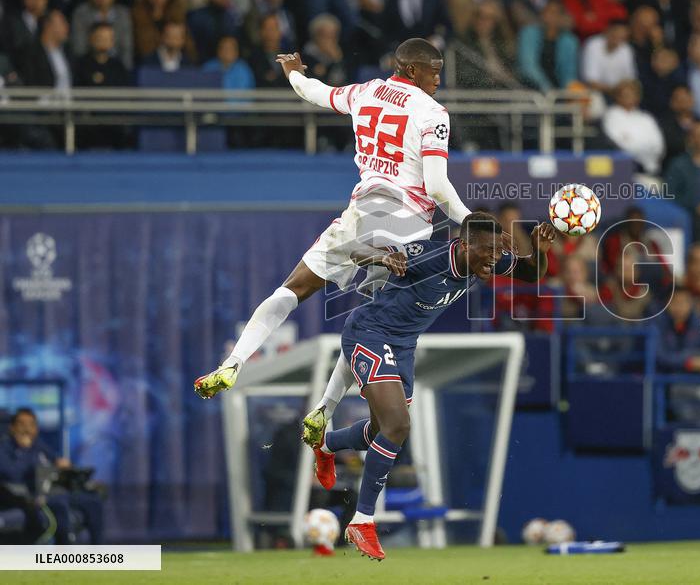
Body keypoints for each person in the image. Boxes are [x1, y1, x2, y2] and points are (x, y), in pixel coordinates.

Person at [193, 40, 501, 431]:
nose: (438, 79)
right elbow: (437, 185)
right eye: (433, 71)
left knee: (293, 288)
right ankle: (324, 408)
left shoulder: (365, 91)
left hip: (361, 215)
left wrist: (293, 73)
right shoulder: (432, 113)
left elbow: (314, 92)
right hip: (408, 227)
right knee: (371, 323)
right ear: (411, 70)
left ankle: (233, 362)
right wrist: (470, 220)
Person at [314, 214, 554, 560]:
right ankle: (363, 520)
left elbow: (533, 273)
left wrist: (539, 251)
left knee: (381, 432)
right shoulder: (428, 256)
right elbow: (356, 252)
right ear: (464, 245)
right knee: (399, 425)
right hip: (369, 333)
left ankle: (325, 444)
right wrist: (384, 258)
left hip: (403, 346)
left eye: (496, 253)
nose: (493, 259)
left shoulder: (484, 260)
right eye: (487, 251)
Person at [0, 408, 103, 544]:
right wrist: (25, 451)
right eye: (22, 424)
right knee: (59, 502)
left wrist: (62, 464)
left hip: (52, 489)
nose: (27, 429)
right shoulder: (4, 448)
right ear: (12, 428)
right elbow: (13, 475)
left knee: (92, 500)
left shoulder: (38, 445)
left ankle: (98, 548)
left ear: (36, 429)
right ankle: (65, 550)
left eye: (31, 425)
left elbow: (54, 460)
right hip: (26, 495)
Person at [601, 80, 664, 175]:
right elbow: (618, 144)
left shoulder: (646, 118)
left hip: (650, 169)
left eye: (632, 94)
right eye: (625, 95)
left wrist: (635, 144)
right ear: (617, 96)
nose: (628, 98)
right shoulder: (611, 116)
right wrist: (643, 148)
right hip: (623, 169)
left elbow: (658, 146)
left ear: (638, 97)